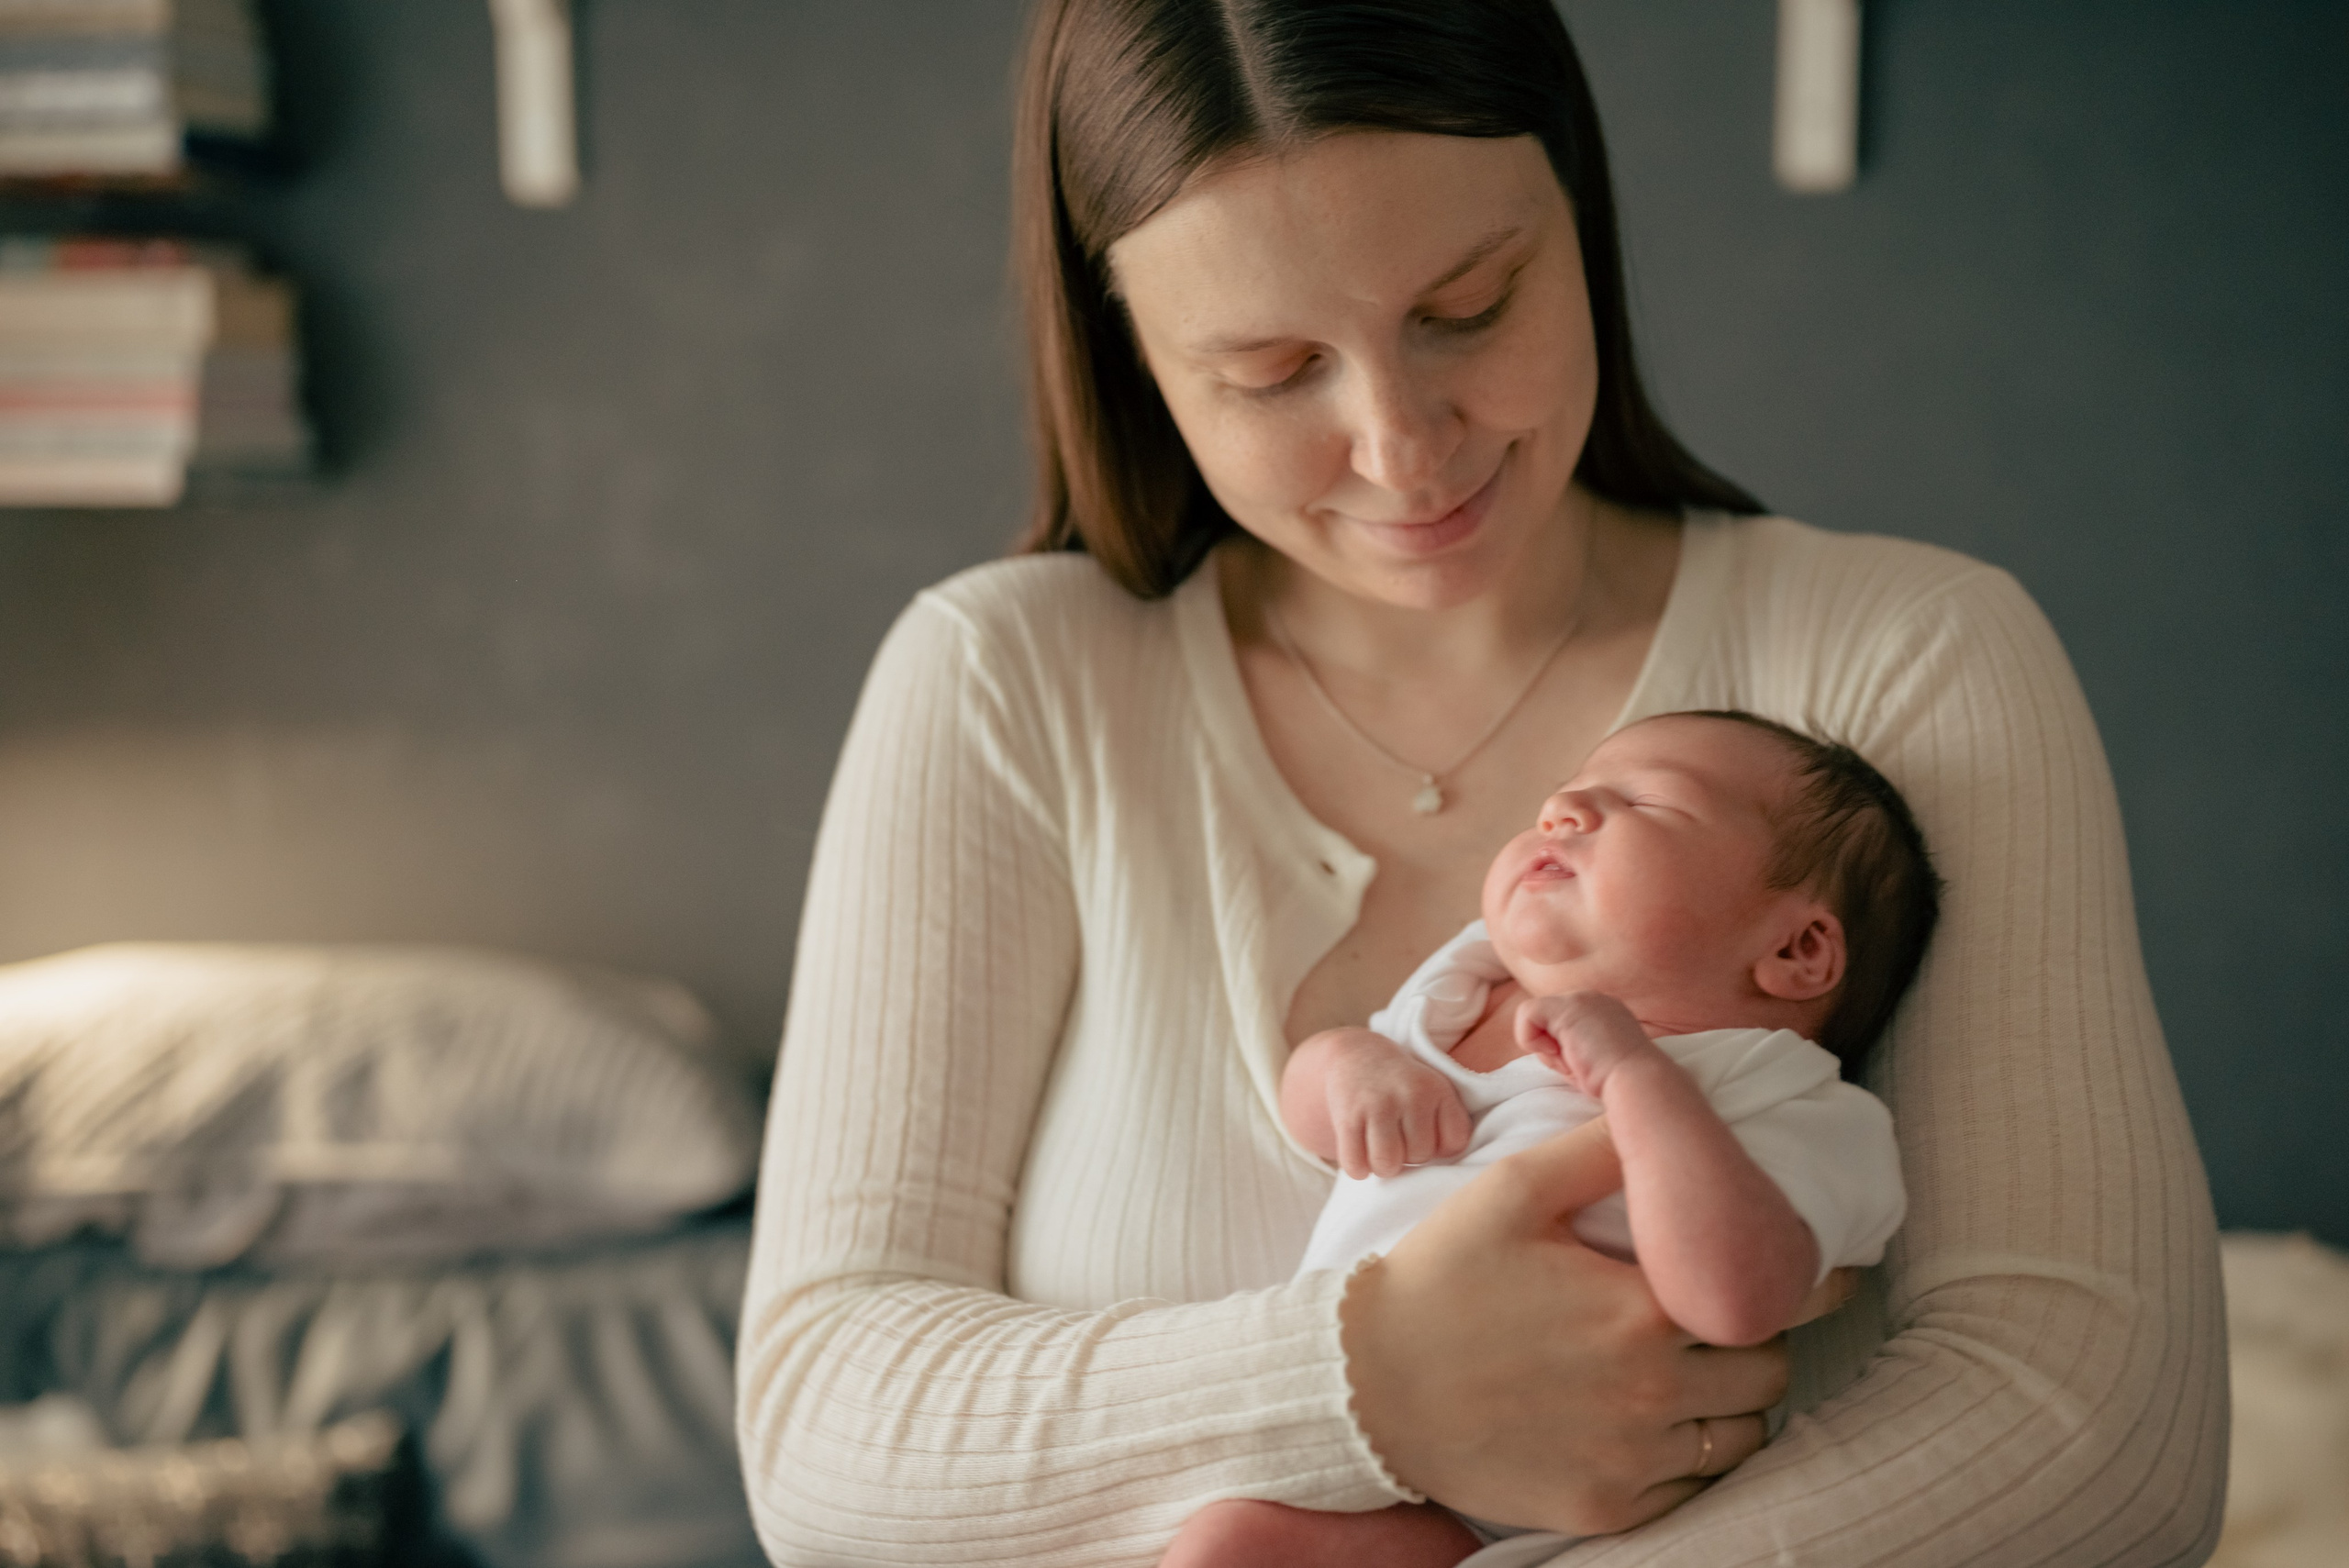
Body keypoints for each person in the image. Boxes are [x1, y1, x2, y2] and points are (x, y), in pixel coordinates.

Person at [736, 2, 2228, 1563]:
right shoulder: (1005, 682)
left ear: (1580, 220)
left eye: (1468, 305)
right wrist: (1367, 1380)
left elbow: (2099, 1442)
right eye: (1271, 368)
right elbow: (823, 1439)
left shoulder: (1907, 659)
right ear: (1136, 358)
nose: (1401, 447)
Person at [1163, 710, 1932, 1568]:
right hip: (1337, 1421)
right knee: (1224, 1542)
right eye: (1562, 794)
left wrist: (1640, 1082)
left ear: (1796, 948)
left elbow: (1737, 1298)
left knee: (1229, 1548)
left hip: (1525, 1511)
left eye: (1648, 801)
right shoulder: (1464, 986)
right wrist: (1348, 1064)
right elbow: (1314, 1118)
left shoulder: (1775, 1088)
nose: (1565, 805)